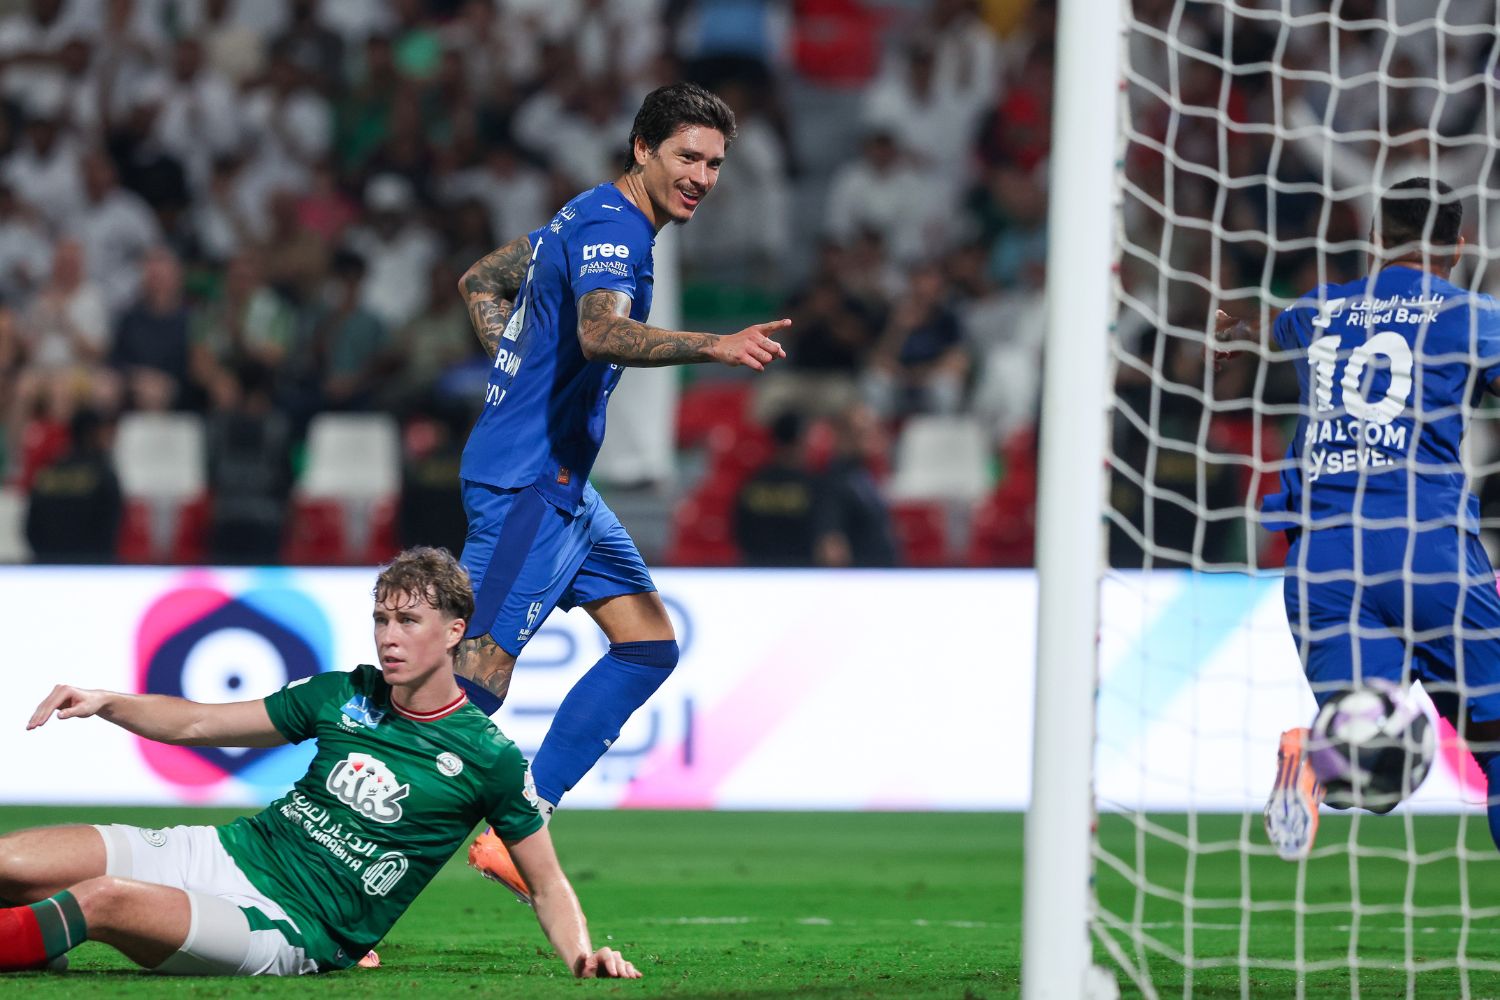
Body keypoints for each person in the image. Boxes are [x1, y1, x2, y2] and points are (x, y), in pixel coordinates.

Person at [0, 547, 639, 979]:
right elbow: (200, 721)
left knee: (102, 902)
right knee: (10, 864)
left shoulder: (489, 758)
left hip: (295, 927)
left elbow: (549, 884)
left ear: (453, 631)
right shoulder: (343, 693)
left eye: (409, 621)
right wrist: (109, 701)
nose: (389, 636)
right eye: (381, 619)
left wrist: (584, 956)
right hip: (225, 852)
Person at [452, 81, 789, 896]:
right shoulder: (614, 229)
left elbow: (479, 283)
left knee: (647, 645)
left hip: (561, 482)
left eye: (714, 163)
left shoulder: (583, 215)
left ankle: (520, 817)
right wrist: (713, 346)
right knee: (467, 689)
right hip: (527, 485)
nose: (702, 177)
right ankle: (341, 876)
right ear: (643, 149)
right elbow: (600, 332)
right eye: (687, 156)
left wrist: (514, 362)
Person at [1220, 178, 1500, 861]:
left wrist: (1236, 331)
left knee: (1360, 757)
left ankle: (1306, 761)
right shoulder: (1470, 314)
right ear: (1458, 247)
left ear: (1375, 239)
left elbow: (1267, 326)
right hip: (1428, 551)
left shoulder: (1324, 309)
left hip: (1325, 563)